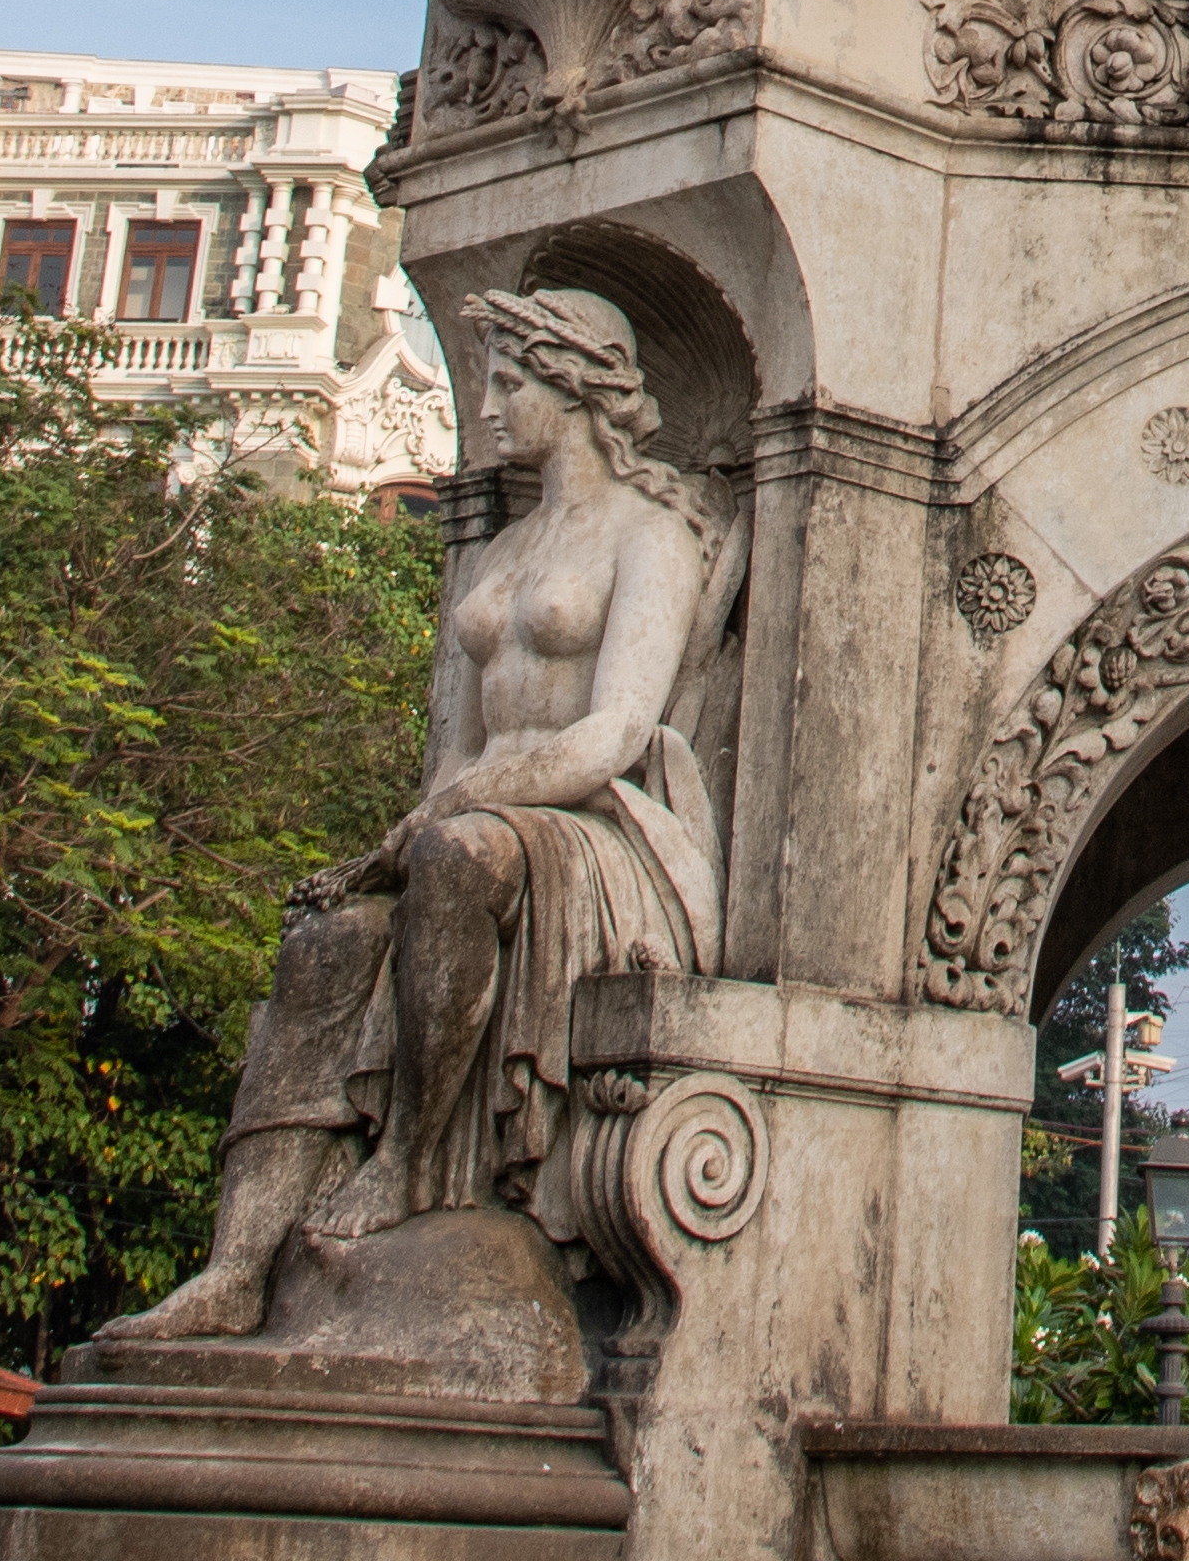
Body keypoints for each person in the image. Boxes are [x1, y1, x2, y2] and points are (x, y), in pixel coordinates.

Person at [108, 288, 729, 1337]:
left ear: (577, 389)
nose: (486, 406)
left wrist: (461, 805)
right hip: (473, 816)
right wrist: (399, 839)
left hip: (599, 831)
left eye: (509, 382)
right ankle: (237, 1263)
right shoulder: (501, 548)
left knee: (456, 857)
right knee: (325, 941)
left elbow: (615, 730)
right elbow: (457, 743)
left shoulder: (652, 532)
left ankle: (407, 1159)